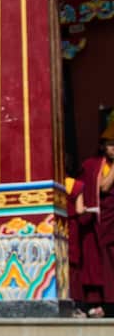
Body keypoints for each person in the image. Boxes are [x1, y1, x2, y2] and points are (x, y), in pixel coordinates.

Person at [78, 119, 114, 317]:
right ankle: (105, 304)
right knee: (104, 262)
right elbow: (104, 187)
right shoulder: (95, 165)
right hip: (104, 222)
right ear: (102, 146)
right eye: (110, 144)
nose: (113, 148)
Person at [66, 172, 105, 317]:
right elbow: (79, 209)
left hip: (56, 227)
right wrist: (90, 210)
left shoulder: (54, 184)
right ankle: (78, 305)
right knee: (74, 266)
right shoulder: (74, 184)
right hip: (72, 228)